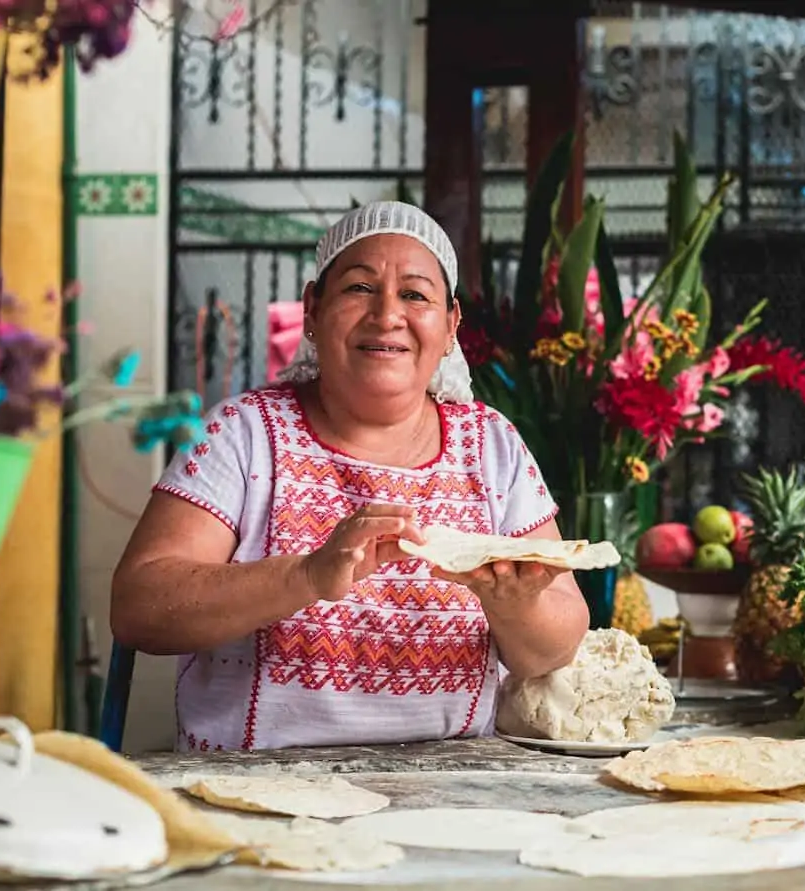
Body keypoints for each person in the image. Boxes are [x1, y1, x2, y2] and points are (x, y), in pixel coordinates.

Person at [111, 201, 589, 751]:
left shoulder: (491, 446)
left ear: (451, 324)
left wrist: (516, 605)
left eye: (415, 294)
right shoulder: (245, 434)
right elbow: (138, 607)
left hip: (456, 788)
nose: (387, 315)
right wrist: (308, 577)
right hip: (254, 788)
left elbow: (553, 648)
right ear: (313, 309)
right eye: (360, 288)